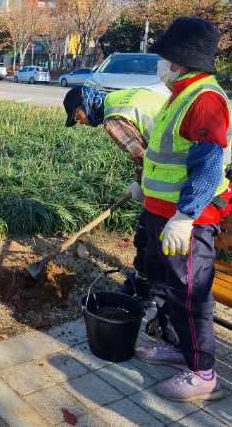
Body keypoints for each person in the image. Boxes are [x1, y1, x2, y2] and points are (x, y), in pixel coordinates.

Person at [134, 16, 232, 402]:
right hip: (162, 212)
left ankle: (203, 373)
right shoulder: (182, 92)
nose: (160, 64)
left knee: (190, 292)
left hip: (187, 220)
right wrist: (143, 187)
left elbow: (208, 165)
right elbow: (167, 158)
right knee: (161, 281)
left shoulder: (205, 98)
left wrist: (186, 214)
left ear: (180, 59)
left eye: (164, 57)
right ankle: (177, 347)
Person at [63, 85, 167, 307]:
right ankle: (144, 286)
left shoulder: (113, 120)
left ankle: (148, 292)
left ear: (85, 105)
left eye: (77, 116)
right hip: (179, 158)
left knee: (148, 238)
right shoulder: (120, 97)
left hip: (170, 174)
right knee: (147, 235)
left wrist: (142, 184)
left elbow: (142, 157)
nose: (81, 123)